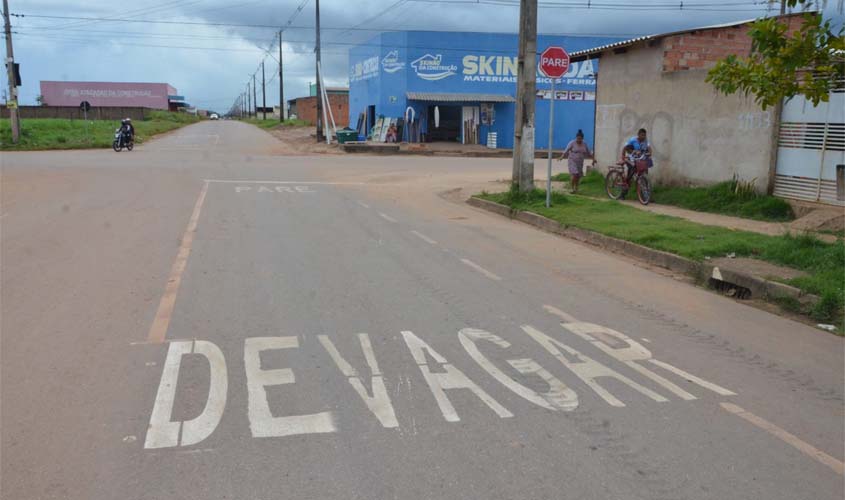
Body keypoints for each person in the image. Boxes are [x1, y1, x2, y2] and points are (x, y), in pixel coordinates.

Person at [619, 128, 652, 198]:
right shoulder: (633, 140)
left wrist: (649, 153)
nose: (643, 137)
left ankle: (646, 197)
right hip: (631, 160)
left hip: (640, 161)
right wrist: (623, 157)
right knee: (630, 176)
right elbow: (625, 147)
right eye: (642, 135)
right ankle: (623, 194)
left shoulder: (645, 141)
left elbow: (649, 148)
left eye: (644, 135)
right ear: (638, 135)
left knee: (644, 177)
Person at [560, 129, 593, 194]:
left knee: (578, 176)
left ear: (582, 138)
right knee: (575, 174)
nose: (579, 140)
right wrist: (562, 156)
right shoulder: (572, 143)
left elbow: (589, 152)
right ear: (576, 138)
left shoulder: (584, 144)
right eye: (578, 138)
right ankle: (572, 188)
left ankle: (576, 188)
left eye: (580, 139)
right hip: (572, 160)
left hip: (580, 161)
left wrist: (593, 159)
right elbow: (567, 150)